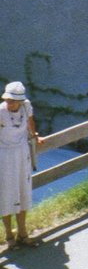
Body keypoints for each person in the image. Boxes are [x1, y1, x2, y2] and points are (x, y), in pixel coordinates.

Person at [1, 82, 43, 247]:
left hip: (22, 153)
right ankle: (9, 236)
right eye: (7, 99)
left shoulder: (26, 107)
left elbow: (30, 122)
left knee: (23, 191)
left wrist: (35, 136)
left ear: (20, 100)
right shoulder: (0, 112)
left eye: (12, 100)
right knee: (6, 193)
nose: (9, 103)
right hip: (4, 155)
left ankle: (22, 233)